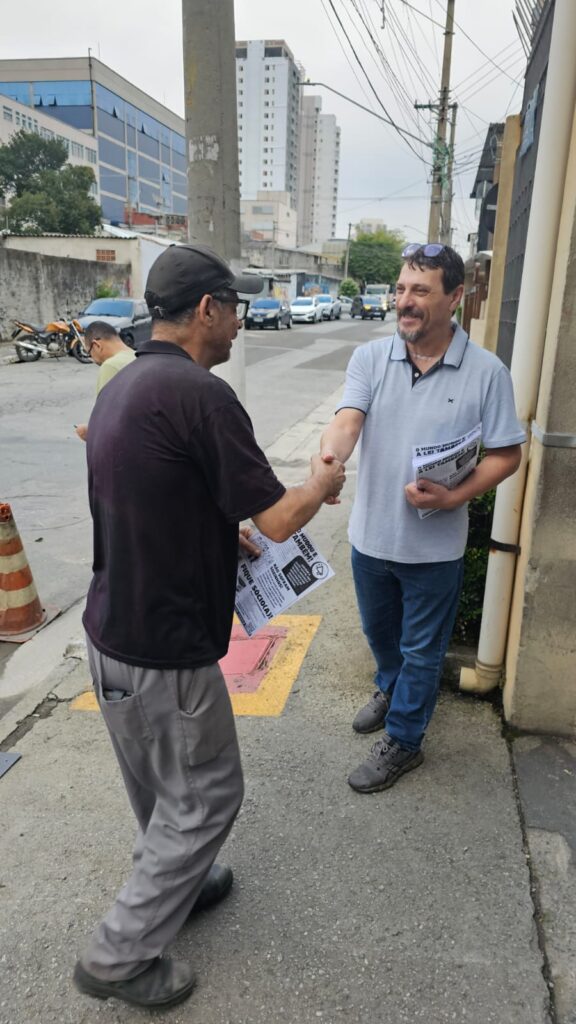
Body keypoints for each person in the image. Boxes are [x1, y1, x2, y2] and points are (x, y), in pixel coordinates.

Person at [73, 243, 345, 1010]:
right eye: (236, 310)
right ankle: (120, 955)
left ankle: (180, 887)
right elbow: (282, 517)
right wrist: (321, 481)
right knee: (208, 794)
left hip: (109, 632)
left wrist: (222, 530)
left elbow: (148, 491)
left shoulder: (122, 384)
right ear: (206, 310)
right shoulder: (202, 395)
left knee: (160, 789)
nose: (239, 325)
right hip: (165, 647)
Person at [320, 242, 525, 795]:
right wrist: (329, 459)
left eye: (420, 291)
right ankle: (391, 688)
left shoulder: (487, 372)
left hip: (435, 551)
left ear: (455, 298)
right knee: (380, 636)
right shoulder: (370, 358)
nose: (404, 302)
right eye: (401, 289)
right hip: (370, 539)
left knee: (422, 651)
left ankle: (405, 740)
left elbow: (507, 454)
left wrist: (456, 497)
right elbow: (347, 419)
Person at [75, 321, 136, 441]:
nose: (92, 359)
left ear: (97, 345)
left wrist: (87, 432)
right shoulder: (138, 356)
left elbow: (105, 423)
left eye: (89, 353)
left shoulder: (110, 366)